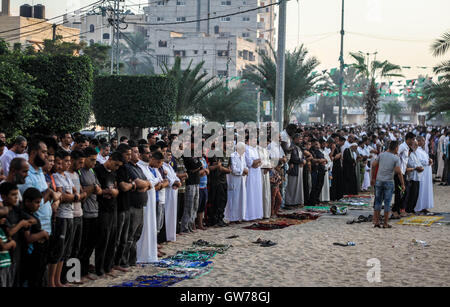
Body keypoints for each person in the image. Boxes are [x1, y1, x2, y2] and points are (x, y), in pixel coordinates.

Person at [49, 150, 77, 287]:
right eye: (63, 161)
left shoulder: (66, 175)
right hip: (61, 215)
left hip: (70, 214)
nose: (66, 164)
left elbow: (75, 192)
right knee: (58, 249)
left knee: (65, 249)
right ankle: (51, 281)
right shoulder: (55, 176)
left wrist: (72, 196)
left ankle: (58, 280)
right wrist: (71, 196)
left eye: (67, 161)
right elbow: (63, 196)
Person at [1, 182, 36, 287]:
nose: (16, 198)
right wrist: (21, 224)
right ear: (3, 196)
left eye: (17, 195)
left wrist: (25, 223)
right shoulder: (2, 213)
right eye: (13, 195)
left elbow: (33, 220)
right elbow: (9, 232)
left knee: (15, 280)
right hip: (6, 255)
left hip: (17, 252)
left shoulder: (17, 210)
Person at [93, 152, 122, 277]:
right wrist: (107, 191)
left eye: (118, 166)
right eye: (115, 165)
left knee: (112, 239)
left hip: (112, 207)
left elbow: (115, 187)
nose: (116, 168)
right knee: (103, 239)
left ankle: (108, 266)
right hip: (102, 208)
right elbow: (96, 189)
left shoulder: (114, 172)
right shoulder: (98, 170)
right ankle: (99, 268)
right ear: (109, 159)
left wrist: (114, 191)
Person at [124, 143, 151, 268]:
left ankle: (132, 260)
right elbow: (139, 183)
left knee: (136, 235)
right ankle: (124, 261)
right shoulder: (128, 167)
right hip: (132, 206)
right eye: (135, 152)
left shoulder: (139, 168)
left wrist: (143, 185)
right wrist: (143, 185)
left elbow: (148, 183)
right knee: (130, 235)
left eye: (137, 152)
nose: (138, 154)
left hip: (141, 206)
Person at [78, 147, 102, 281]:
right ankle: (76, 274)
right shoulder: (80, 172)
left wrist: (95, 189)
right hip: (84, 213)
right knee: (81, 246)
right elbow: (81, 192)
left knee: (91, 245)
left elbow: (98, 190)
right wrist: (92, 188)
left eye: (95, 160)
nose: (94, 163)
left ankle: (85, 270)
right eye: (91, 160)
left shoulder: (92, 171)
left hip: (95, 211)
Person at [371, 141, 405, 228]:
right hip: (389, 181)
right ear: (396, 148)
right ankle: (385, 223)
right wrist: (402, 184)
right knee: (387, 203)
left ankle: (376, 222)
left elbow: (373, 165)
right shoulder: (395, 158)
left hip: (379, 181)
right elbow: (398, 172)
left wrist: (373, 178)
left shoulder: (381, 155)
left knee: (378, 202)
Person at [21, 187, 50, 288]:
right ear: (27, 202)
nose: (39, 205)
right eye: (37, 202)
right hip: (31, 258)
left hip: (38, 257)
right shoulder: (26, 217)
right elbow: (28, 238)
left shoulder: (32, 215)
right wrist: (43, 234)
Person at [136, 146, 159, 261]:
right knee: (144, 228)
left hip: (151, 202)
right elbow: (145, 183)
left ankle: (149, 254)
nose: (150, 155)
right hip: (144, 203)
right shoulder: (139, 166)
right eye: (147, 153)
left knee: (151, 227)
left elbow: (153, 181)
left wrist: (150, 183)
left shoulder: (147, 167)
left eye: (150, 153)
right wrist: (150, 183)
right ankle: (141, 255)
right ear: (140, 154)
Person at [181, 139, 204, 233]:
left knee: (195, 205)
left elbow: (199, 165)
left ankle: (191, 225)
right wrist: (197, 167)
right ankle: (185, 226)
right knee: (189, 206)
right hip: (190, 182)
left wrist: (197, 167)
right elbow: (193, 166)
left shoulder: (195, 154)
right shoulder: (186, 154)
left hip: (196, 181)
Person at [392, 132, 416, 218]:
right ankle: (395, 210)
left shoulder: (407, 148)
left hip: (403, 173)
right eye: (413, 139)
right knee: (400, 192)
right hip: (398, 173)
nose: (414, 141)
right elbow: (395, 155)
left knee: (405, 191)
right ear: (408, 139)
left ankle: (400, 209)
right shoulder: (402, 146)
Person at [225, 142, 248, 223]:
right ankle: (231, 217)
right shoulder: (233, 156)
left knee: (241, 198)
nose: (245, 150)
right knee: (233, 199)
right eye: (243, 149)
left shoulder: (243, 156)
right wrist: (242, 171)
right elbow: (234, 169)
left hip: (241, 180)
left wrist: (246, 170)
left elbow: (245, 166)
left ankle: (239, 216)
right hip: (234, 180)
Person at [163, 150, 181, 241]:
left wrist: (178, 182)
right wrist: (175, 182)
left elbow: (175, 176)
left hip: (173, 193)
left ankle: (171, 234)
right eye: (168, 155)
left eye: (170, 155)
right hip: (167, 193)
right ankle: (166, 235)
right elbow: (169, 180)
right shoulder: (162, 166)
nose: (170, 157)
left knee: (173, 214)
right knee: (167, 214)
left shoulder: (169, 166)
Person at [245, 136, 263, 221]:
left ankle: (256, 214)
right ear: (248, 141)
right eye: (253, 140)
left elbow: (259, 163)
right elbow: (251, 163)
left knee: (257, 193)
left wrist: (257, 162)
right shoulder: (246, 149)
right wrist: (257, 161)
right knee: (251, 193)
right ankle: (249, 215)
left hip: (257, 173)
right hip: (251, 174)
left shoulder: (255, 149)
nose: (255, 141)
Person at [415, 136, 434, 214]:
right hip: (422, 174)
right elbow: (419, 161)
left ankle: (424, 206)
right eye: (423, 141)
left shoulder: (422, 151)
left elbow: (426, 159)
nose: (424, 142)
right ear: (418, 141)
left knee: (426, 190)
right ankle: (419, 207)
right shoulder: (417, 151)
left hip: (427, 173)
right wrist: (427, 162)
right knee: (421, 190)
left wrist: (430, 160)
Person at [285, 133, 304, 207]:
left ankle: (296, 202)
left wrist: (303, 160)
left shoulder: (298, 147)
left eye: (301, 139)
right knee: (292, 187)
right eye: (299, 139)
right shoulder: (292, 147)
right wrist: (302, 161)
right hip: (294, 169)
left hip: (299, 169)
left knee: (297, 187)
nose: (300, 140)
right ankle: (290, 203)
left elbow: (302, 156)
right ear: (295, 139)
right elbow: (294, 158)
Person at [405, 141, 424, 214]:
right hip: (412, 177)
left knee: (416, 194)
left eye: (417, 145)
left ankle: (412, 208)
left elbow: (419, 163)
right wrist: (417, 167)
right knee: (411, 194)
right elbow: (409, 163)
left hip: (417, 176)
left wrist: (420, 167)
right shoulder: (409, 154)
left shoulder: (415, 154)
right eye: (415, 145)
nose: (416, 146)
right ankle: (408, 209)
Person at [0, 205, 15, 287]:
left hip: (6, 264)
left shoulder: (2, 230)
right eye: (2, 217)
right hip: (1, 265)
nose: (4, 219)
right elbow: (2, 247)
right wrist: (12, 243)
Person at [309, 139, 327, 206]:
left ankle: (317, 199)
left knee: (319, 186)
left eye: (318, 144)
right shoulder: (312, 151)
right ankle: (313, 201)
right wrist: (320, 160)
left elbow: (325, 159)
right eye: (315, 144)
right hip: (316, 170)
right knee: (315, 186)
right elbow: (314, 160)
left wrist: (323, 160)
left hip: (322, 170)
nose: (317, 146)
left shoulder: (320, 151)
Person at [197, 149, 209, 230]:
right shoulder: (197, 160)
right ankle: (195, 224)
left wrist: (205, 171)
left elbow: (207, 170)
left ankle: (201, 224)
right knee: (197, 206)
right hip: (198, 185)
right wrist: (204, 171)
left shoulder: (204, 159)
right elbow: (198, 172)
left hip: (204, 185)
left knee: (202, 206)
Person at [330, 135, 344, 201]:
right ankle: (333, 197)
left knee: (339, 181)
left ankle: (339, 196)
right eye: (336, 139)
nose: (337, 140)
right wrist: (336, 156)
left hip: (338, 165)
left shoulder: (338, 146)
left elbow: (340, 154)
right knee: (334, 182)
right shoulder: (332, 146)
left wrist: (340, 155)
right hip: (333, 166)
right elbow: (331, 157)